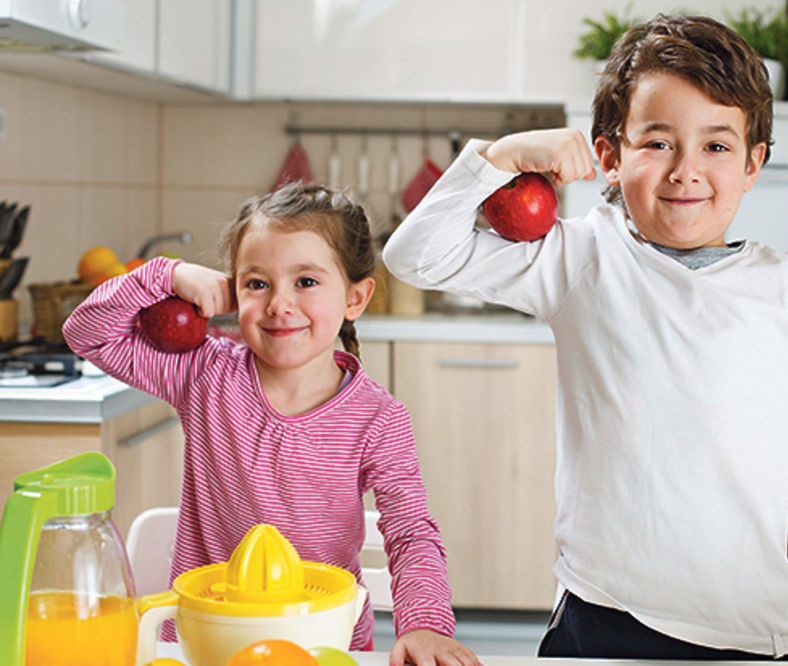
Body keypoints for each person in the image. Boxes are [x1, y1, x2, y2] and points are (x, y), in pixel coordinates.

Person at [383, 13, 788, 661]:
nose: (686, 170)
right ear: (608, 157)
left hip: (749, 633)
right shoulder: (580, 258)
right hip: (596, 618)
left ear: (752, 164)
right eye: (657, 143)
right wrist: (497, 159)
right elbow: (416, 258)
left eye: (716, 146)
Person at [63, 183, 480, 666]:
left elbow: (411, 533)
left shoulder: (378, 418)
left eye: (305, 281)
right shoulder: (202, 373)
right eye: (257, 283)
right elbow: (85, 334)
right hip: (204, 642)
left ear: (355, 297)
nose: (279, 303)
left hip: (325, 642)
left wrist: (425, 626)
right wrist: (168, 274)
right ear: (232, 290)